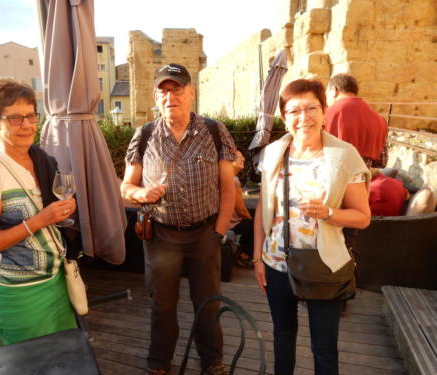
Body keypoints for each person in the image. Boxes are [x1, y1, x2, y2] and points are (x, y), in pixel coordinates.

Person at [121, 63, 236, 375]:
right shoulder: (144, 135)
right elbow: (126, 187)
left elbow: (228, 187)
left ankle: (212, 362)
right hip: (161, 237)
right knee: (162, 306)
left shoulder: (214, 131)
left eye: (177, 89)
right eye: (164, 90)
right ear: (157, 98)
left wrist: (218, 233)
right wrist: (140, 195)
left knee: (209, 305)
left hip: (204, 234)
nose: (170, 96)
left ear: (191, 93)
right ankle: (159, 364)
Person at [253, 79, 371, 375]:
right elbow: (263, 212)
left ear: (324, 111)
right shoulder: (273, 154)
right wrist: (257, 257)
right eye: (294, 111)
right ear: (284, 117)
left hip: (323, 266)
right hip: (277, 263)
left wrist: (329, 212)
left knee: (324, 349)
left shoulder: (343, 156)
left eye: (311, 108)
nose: (303, 118)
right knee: (282, 338)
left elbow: (363, 217)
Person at [0, 79, 78, 346]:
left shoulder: (41, 159)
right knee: (30, 364)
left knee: (63, 357)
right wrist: (41, 220)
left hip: (55, 280)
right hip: (19, 292)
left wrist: (62, 211)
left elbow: (50, 212)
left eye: (30, 115)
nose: (27, 125)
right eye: (15, 118)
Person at [325, 73, 388, 168]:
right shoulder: (380, 120)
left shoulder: (326, 114)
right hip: (361, 179)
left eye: (326, 94)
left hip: (330, 177)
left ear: (334, 91)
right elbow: (382, 162)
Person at [228, 149, 253, 268]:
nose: (243, 158)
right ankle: (244, 255)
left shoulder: (222, 176)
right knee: (253, 225)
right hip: (229, 224)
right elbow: (241, 210)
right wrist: (251, 221)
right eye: (239, 157)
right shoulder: (233, 180)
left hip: (220, 221)